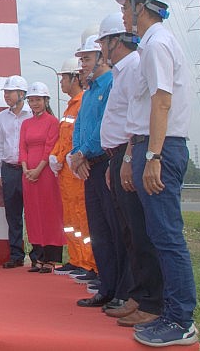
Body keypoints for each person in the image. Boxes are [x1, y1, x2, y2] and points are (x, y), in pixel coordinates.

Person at [117, 0, 198, 347]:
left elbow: (162, 102)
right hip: (153, 145)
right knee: (158, 236)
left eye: (126, 6)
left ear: (141, 6)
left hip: (161, 146)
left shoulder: (157, 44)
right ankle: (171, 313)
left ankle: (181, 321)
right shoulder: (152, 44)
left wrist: (153, 156)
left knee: (167, 238)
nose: (123, 13)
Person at [97, 13, 165, 327]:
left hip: (129, 154)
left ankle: (151, 300)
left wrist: (125, 159)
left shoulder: (134, 66)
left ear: (116, 41)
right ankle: (139, 295)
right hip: (118, 157)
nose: (101, 50)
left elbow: (136, 120)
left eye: (103, 42)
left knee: (139, 232)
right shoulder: (121, 72)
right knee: (128, 233)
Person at [69, 34, 131, 311]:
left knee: (117, 229)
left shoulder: (112, 83)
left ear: (101, 57)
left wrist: (84, 152)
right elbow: (80, 126)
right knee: (100, 231)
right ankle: (106, 288)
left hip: (106, 162)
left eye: (86, 59)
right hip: (89, 167)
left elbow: (106, 125)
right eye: (81, 59)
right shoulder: (91, 91)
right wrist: (76, 153)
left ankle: (123, 290)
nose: (82, 65)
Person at [49, 57, 97, 278]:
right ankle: (77, 260)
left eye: (63, 79)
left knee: (82, 218)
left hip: (77, 173)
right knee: (71, 220)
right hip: (66, 174)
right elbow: (63, 138)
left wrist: (64, 156)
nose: (61, 83)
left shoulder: (82, 103)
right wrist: (55, 156)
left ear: (74, 78)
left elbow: (75, 139)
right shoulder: (71, 106)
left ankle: (90, 263)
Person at [19, 82, 63, 273]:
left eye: (38, 99)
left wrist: (38, 169)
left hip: (46, 174)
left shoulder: (53, 122)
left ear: (46, 100)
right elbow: (22, 148)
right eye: (32, 100)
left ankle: (51, 258)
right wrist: (25, 168)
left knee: (49, 212)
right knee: (33, 213)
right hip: (28, 174)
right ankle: (37, 255)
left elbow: (50, 147)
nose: (35, 103)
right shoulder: (26, 123)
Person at [0, 75, 32, 269]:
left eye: (10, 92)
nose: (6, 96)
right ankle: (16, 254)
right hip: (9, 170)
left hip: (30, 171)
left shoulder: (32, 114)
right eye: (5, 92)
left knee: (33, 213)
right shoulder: (1, 117)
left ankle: (39, 255)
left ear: (22, 94)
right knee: (13, 215)